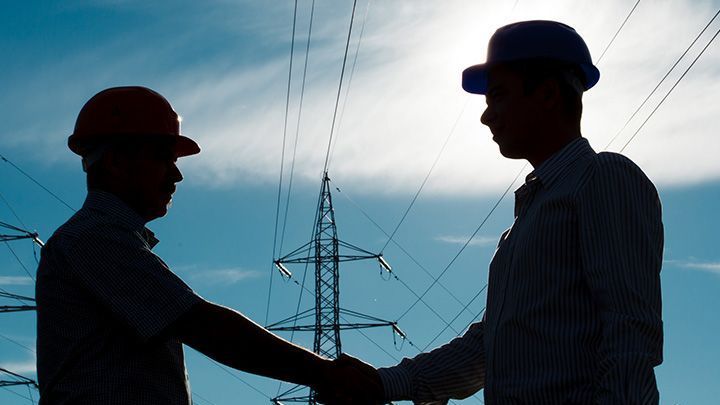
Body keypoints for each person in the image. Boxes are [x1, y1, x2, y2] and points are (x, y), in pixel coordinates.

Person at [327, 20, 664, 404]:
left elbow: (630, 333)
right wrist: (386, 383)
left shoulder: (603, 178)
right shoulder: (524, 224)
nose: (487, 116)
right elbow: (489, 348)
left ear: (549, 94)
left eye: (499, 95)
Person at [35, 86, 345, 404]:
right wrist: (329, 374)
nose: (177, 176)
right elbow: (204, 326)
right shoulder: (94, 239)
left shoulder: (103, 240)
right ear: (115, 161)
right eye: (162, 158)